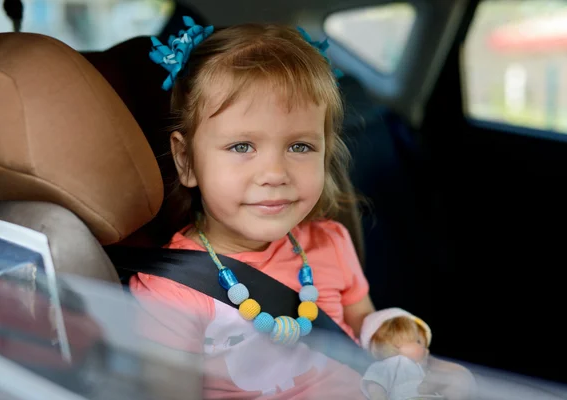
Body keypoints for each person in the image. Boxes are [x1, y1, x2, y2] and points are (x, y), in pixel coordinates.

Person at [131, 16, 472, 400]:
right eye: (242, 146)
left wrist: (406, 353)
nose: (275, 173)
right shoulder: (171, 292)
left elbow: (366, 335)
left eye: (300, 147)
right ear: (186, 161)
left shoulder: (329, 241)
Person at [359, 308, 441, 400]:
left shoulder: (418, 368)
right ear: (395, 342)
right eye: (419, 342)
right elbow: (375, 385)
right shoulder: (385, 367)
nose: (427, 350)